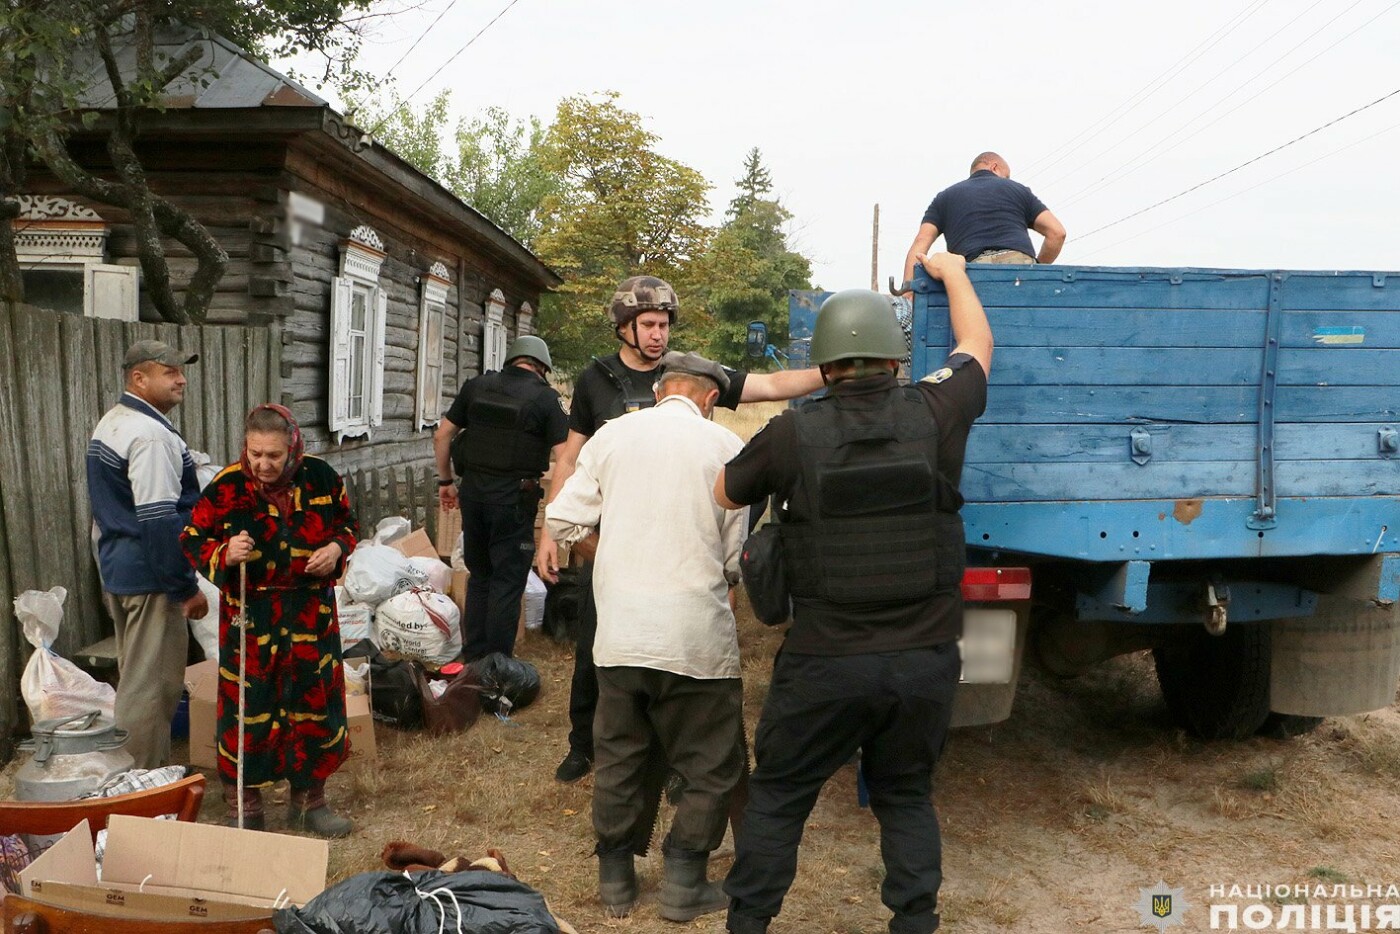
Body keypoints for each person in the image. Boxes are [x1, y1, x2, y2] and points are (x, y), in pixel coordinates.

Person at [715, 252, 993, 934]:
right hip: (924, 658)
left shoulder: (792, 433)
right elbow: (977, 347)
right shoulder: (937, 410)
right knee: (904, 793)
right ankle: (915, 921)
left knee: (780, 795)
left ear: (827, 363)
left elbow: (724, 491)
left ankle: (749, 922)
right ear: (896, 359)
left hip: (825, 662)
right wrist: (953, 271)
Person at [536, 274, 824, 783]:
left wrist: (836, 371)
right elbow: (569, 455)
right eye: (647, 324)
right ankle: (583, 745)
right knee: (595, 644)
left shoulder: (689, 373)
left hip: (679, 531)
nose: (658, 335)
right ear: (623, 327)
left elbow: (774, 385)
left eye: (664, 324)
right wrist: (548, 534)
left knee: (676, 655)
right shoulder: (595, 379)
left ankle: (667, 755)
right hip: (612, 533)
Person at [546, 351, 747, 922]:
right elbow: (733, 558)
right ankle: (684, 883)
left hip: (622, 635)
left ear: (661, 392)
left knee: (619, 756)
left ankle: (616, 882)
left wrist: (610, 553)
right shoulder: (726, 448)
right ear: (709, 399)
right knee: (709, 764)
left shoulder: (613, 436)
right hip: (694, 636)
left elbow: (561, 520)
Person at [181, 404, 359, 836]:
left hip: (310, 615)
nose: (263, 464)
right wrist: (224, 555)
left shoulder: (322, 478)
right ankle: (246, 808)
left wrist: (336, 550)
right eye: (255, 453)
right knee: (248, 710)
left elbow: (347, 526)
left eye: (273, 456)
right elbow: (192, 538)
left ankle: (309, 804)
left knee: (312, 705)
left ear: (292, 447)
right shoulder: (226, 487)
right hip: (251, 620)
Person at [86, 339, 209, 771]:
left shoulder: (113, 422)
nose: (181, 379)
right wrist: (184, 586)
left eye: (181, 370)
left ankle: (142, 773)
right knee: (151, 686)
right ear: (139, 378)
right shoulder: (150, 435)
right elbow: (158, 519)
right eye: (169, 371)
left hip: (121, 568)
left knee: (137, 677)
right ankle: (137, 786)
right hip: (150, 574)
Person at [434, 334, 569, 661]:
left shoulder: (476, 387)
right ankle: (496, 669)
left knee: (480, 578)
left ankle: (473, 658)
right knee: (507, 584)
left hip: (473, 495)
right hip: (513, 501)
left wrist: (446, 481)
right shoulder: (546, 399)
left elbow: (442, 434)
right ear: (541, 367)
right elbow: (567, 456)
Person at [902, 151, 1066, 285]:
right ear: (994, 167)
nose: (1007, 181)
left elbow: (921, 241)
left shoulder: (944, 198)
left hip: (970, 273)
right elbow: (1057, 233)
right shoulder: (1019, 190)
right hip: (1019, 269)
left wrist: (909, 290)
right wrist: (1036, 269)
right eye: (1006, 176)